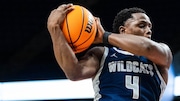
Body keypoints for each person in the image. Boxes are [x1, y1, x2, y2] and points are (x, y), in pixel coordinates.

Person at [47, 3, 173, 101]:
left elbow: (147, 48)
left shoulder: (162, 53)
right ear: (123, 30)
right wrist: (54, 28)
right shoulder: (102, 54)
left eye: (150, 26)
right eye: (142, 25)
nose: (148, 30)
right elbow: (74, 73)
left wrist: (105, 37)